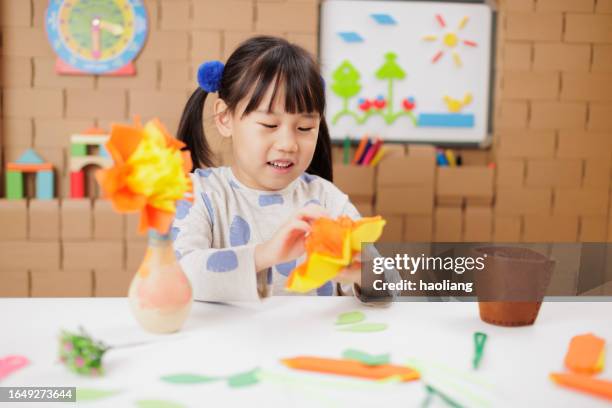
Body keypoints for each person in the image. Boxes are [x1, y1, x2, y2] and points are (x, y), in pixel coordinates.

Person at [172, 36, 396, 302]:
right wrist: (265, 254)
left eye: (304, 128)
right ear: (225, 118)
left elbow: (391, 286)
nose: (288, 144)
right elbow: (177, 277)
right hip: (227, 343)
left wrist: (362, 274)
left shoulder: (326, 200)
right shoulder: (198, 194)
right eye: (269, 125)